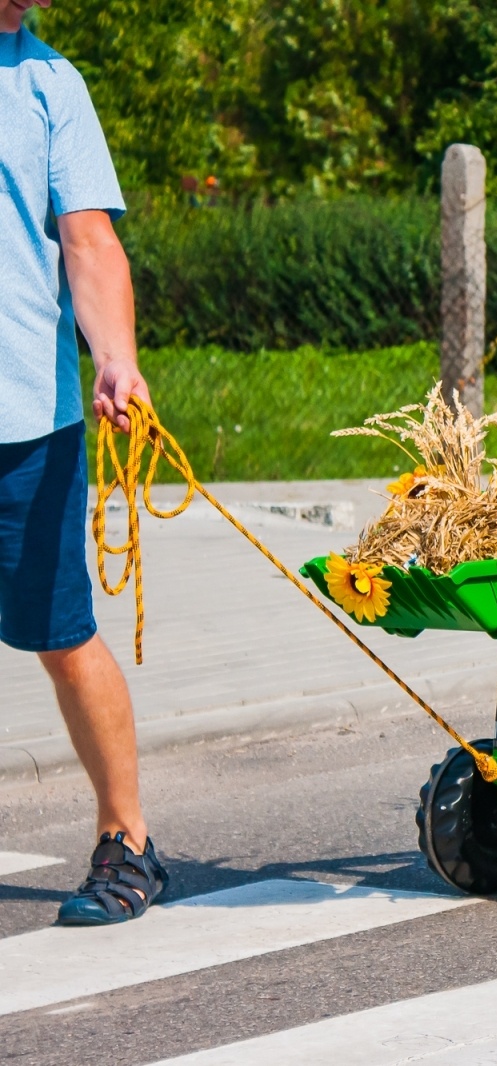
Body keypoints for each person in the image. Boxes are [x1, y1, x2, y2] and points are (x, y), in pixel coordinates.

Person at [1, 2, 168, 924]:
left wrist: (115, 356)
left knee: (62, 637)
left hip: (26, 416)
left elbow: (90, 238)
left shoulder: (49, 83)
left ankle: (129, 841)